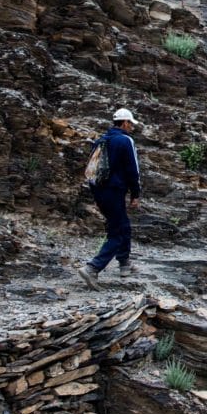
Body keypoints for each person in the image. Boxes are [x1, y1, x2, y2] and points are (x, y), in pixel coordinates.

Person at [78, 108, 142, 289]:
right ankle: (93, 268)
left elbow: (91, 170)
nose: (132, 128)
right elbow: (132, 170)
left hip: (99, 191)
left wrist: (97, 194)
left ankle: (124, 263)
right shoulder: (125, 140)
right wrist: (135, 194)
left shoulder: (101, 141)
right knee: (119, 232)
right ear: (124, 123)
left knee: (123, 225)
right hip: (115, 191)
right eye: (131, 124)